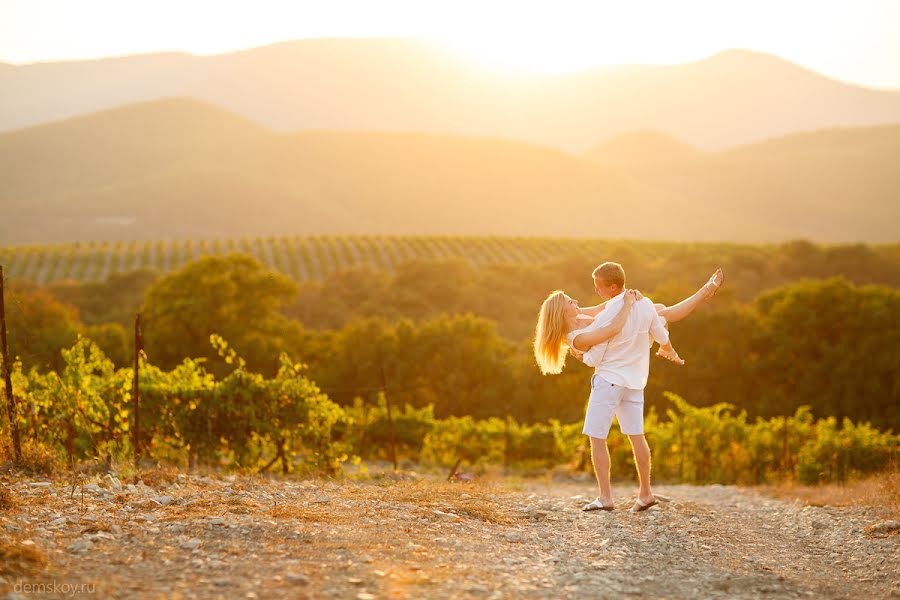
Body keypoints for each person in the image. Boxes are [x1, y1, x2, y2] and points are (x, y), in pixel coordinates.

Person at [534, 264, 724, 512]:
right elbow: (609, 326)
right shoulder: (575, 337)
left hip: (610, 381)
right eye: (571, 301)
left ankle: (608, 497)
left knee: (597, 437)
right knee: (636, 436)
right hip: (633, 381)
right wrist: (629, 303)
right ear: (563, 311)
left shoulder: (582, 321)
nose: (577, 300)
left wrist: (626, 300)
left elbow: (604, 318)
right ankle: (644, 494)